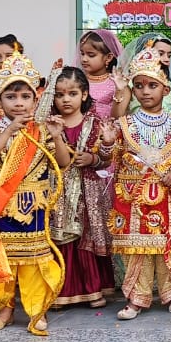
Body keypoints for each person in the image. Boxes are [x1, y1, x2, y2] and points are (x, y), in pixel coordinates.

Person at [0, 50, 70, 335]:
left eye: (25, 97)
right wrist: (9, 130)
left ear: (36, 100)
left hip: (32, 206)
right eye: (11, 97)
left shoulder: (43, 130)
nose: (19, 103)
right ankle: (5, 309)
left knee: (34, 261)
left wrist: (58, 136)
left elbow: (63, 162)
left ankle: (37, 311)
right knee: (1, 260)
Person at [104, 48, 171, 320]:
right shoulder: (125, 124)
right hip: (134, 198)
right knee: (139, 251)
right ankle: (136, 299)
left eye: (152, 85)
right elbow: (109, 156)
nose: (145, 91)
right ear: (132, 90)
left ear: (166, 89)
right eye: (139, 86)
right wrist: (109, 141)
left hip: (168, 195)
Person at [47, 66, 115, 309]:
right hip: (58, 190)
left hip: (89, 191)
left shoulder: (95, 122)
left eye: (72, 93)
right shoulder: (48, 124)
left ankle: (93, 289)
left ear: (84, 95)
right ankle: (62, 291)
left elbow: (107, 157)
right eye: (60, 94)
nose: (66, 99)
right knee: (62, 239)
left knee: (86, 237)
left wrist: (94, 158)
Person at [119, 33, 171, 131]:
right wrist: (119, 90)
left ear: (166, 90)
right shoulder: (130, 85)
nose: (166, 60)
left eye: (169, 55)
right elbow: (117, 118)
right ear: (146, 53)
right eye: (160, 54)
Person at [78, 29, 126, 120]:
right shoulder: (77, 81)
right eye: (82, 54)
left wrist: (119, 91)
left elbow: (118, 119)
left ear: (108, 57)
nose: (84, 59)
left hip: (107, 132)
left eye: (91, 55)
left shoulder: (117, 83)